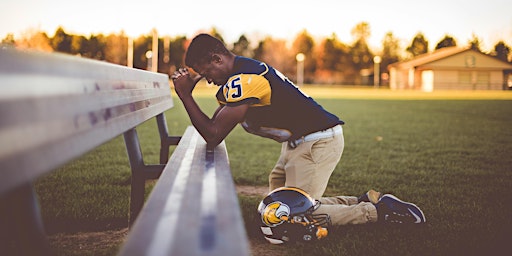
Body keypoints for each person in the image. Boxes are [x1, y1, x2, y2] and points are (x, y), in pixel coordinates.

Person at [171, 34, 425, 234]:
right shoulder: (240, 73)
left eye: (207, 74)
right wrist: (189, 94)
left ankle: (380, 213)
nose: (209, 81)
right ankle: (365, 200)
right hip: (299, 144)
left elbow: (214, 134)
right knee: (275, 208)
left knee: (294, 214)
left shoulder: (244, 78)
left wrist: (184, 95)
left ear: (217, 59)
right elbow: (213, 125)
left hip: (317, 143)